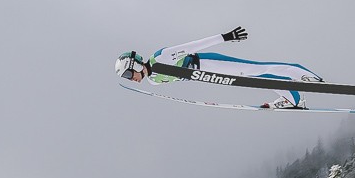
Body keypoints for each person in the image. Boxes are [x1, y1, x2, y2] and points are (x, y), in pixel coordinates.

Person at [115, 27, 324, 109]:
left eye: (128, 73)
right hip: (209, 75)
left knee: (256, 69)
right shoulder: (153, 80)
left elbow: (192, 46)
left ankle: (302, 74)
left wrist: (224, 37)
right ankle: (292, 97)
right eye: (126, 77)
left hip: (208, 63)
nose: (130, 78)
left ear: (135, 64)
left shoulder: (161, 57)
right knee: (254, 80)